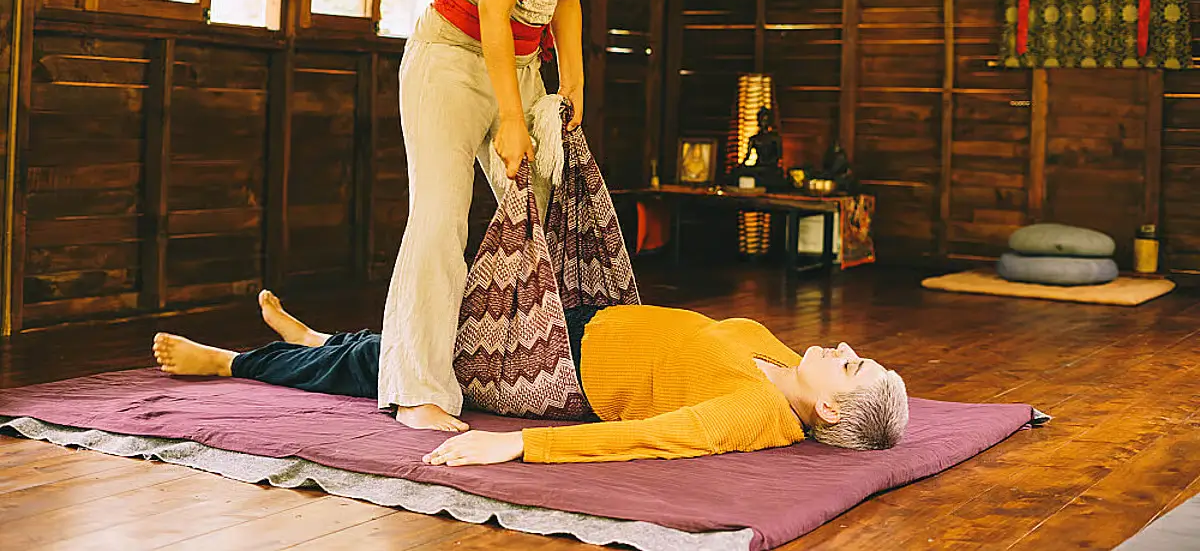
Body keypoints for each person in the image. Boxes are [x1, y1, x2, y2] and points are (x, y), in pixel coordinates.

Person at [380, 0, 702, 431]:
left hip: (521, 63)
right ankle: (416, 389)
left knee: (542, 210)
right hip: (449, 59)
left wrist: (573, 84)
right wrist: (510, 118)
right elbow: (493, 9)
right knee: (441, 215)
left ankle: (512, 365)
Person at [151, 291, 910, 466]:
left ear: (835, 402)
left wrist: (513, 448)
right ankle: (320, 338)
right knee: (425, 336)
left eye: (852, 362)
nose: (842, 345)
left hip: (552, 373)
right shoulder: (779, 358)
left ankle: (231, 360)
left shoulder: (754, 413)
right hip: (580, 319)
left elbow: (648, 438)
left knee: (398, 364)